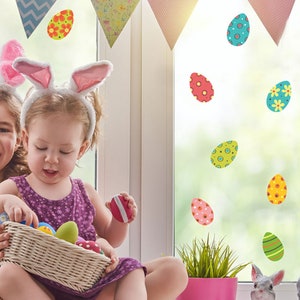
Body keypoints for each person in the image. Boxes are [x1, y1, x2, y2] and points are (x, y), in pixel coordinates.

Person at [0, 57, 188, 300]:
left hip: (91, 285)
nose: (52, 159)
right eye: (42, 148)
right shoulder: (17, 187)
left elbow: (112, 237)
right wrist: (7, 201)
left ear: (81, 149)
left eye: (65, 151)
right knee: (6, 274)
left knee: (171, 269)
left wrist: (121, 220)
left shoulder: (84, 191)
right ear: (25, 140)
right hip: (44, 289)